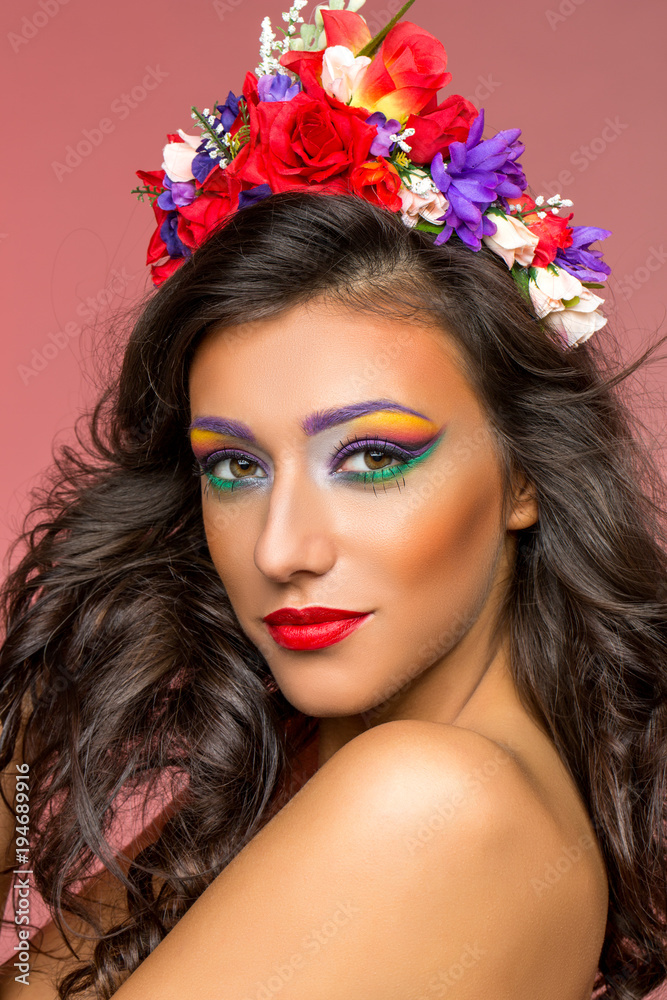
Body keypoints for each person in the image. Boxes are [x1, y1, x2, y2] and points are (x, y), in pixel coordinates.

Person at [1, 2, 667, 998]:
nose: (283, 548)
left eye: (368, 457)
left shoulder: (431, 802)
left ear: (521, 474)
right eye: (234, 466)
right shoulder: (314, 765)